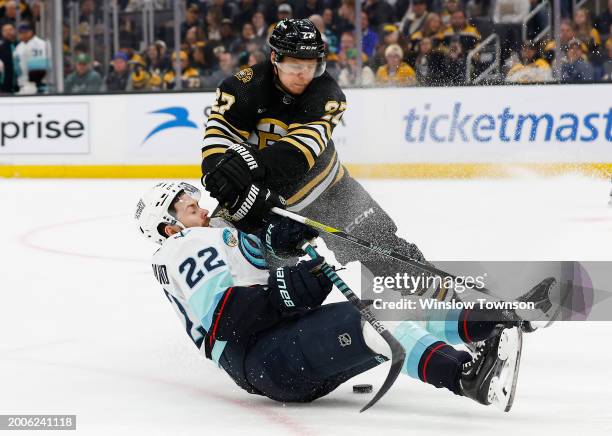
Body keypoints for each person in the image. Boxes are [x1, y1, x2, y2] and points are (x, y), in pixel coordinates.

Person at [135, 181, 533, 410]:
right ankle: (466, 377)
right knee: (377, 322)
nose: (203, 213)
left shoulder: (211, 238)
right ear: (170, 227)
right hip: (263, 360)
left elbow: (260, 268)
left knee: (386, 306)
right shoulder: (182, 247)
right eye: (191, 210)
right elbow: (229, 322)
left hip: (278, 353)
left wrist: (282, 246)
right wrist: (286, 293)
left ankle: (487, 322)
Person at [200, 18, 427, 287]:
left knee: (389, 256)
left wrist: (246, 168)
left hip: (329, 191)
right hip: (262, 199)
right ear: (275, 57)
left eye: (312, 66)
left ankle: (449, 306)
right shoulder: (240, 88)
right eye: (295, 65)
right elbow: (217, 140)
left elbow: (298, 155)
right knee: (224, 259)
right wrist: (219, 176)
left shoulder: (327, 93)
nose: (303, 74)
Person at [13, 21, 50, 94]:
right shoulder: (19, 47)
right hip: (22, 83)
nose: (23, 34)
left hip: (36, 85)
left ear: (31, 32)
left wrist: (37, 83)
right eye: (21, 32)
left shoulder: (40, 44)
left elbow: (41, 68)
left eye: (25, 32)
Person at [0, 22, 17, 93]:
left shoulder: (20, 45)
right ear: (2, 33)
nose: (8, 32)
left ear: (15, 30)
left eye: (10, 29)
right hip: (4, 86)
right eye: (5, 30)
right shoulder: (1, 48)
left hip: (21, 86)